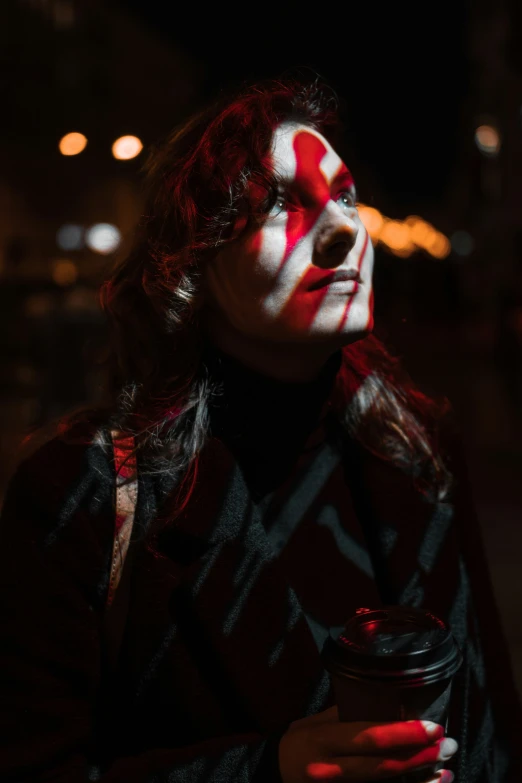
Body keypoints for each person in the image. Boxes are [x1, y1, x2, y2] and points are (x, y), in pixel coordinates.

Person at [1, 78, 521, 783]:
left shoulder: (419, 442)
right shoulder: (83, 499)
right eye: (280, 203)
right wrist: (267, 770)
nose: (343, 230)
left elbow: (493, 718)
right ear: (191, 262)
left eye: (344, 195)